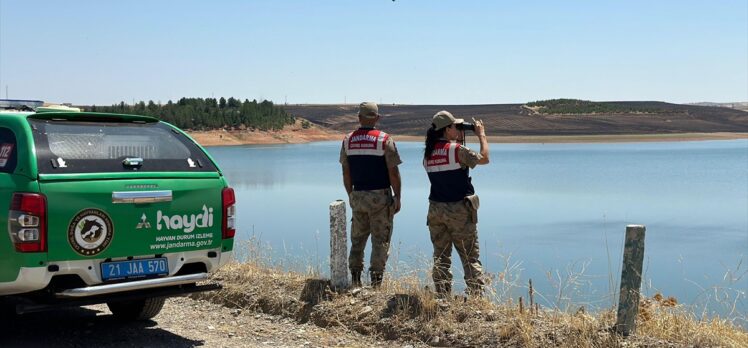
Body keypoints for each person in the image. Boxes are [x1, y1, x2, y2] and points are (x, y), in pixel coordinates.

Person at [423, 110, 489, 297]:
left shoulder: (428, 154)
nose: (459, 129)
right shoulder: (456, 151)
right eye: (456, 126)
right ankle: (476, 296)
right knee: (469, 256)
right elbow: (484, 158)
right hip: (458, 210)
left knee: (441, 256)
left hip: (435, 210)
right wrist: (481, 135)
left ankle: (443, 295)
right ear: (447, 129)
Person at [340, 102, 402, 288]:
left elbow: (346, 171)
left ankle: (356, 280)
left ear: (359, 118)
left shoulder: (348, 140)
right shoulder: (384, 139)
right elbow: (393, 172)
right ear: (377, 118)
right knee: (380, 240)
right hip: (380, 197)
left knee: (357, 239)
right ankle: (376, 283)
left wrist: (351, 193)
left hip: (358, 195)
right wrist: (397, 196)